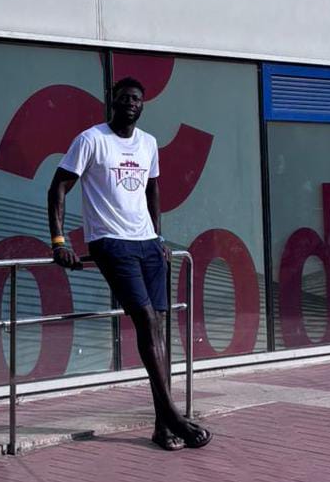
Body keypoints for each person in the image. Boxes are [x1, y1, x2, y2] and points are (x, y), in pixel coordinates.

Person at [47, 76, 212, 451]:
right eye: (124, 97)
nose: (131, 103)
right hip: (111, 243)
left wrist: (158, 238)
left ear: (143, 104)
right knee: (146, 321)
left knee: (160, 328)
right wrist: (59, 242)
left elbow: (153, 189)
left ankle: (162, 425)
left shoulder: (149, 143)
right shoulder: (91, 140)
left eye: (137, 98)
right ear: (112, 101)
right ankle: (174, 415)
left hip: (148, 246)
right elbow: (58, 186)